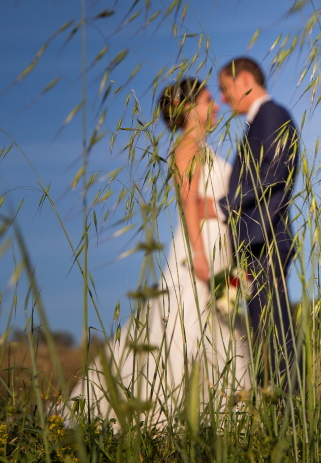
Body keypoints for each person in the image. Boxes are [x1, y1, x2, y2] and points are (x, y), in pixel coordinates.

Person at [68, 78, 251, 427]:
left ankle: (220, 417)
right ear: (188, 107)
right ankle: (174, 417)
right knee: (187, 333)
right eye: (208, 100)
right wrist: (200, 256)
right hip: (197, 254)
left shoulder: (206, 149)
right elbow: (189, 206)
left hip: (219, 253)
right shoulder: (186, 149)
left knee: (220, 334)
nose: (215, 107)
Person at [201, 57, 300, 392]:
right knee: (265, 333)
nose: (224, 99)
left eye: (225, 90)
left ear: (244, 79)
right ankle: (280, 410)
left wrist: (224, 206)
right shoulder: (259, 123)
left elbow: (275, 172)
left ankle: (291, 415)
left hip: (267, 241)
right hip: (255, 244)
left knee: (276, 334)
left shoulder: (271, 115)